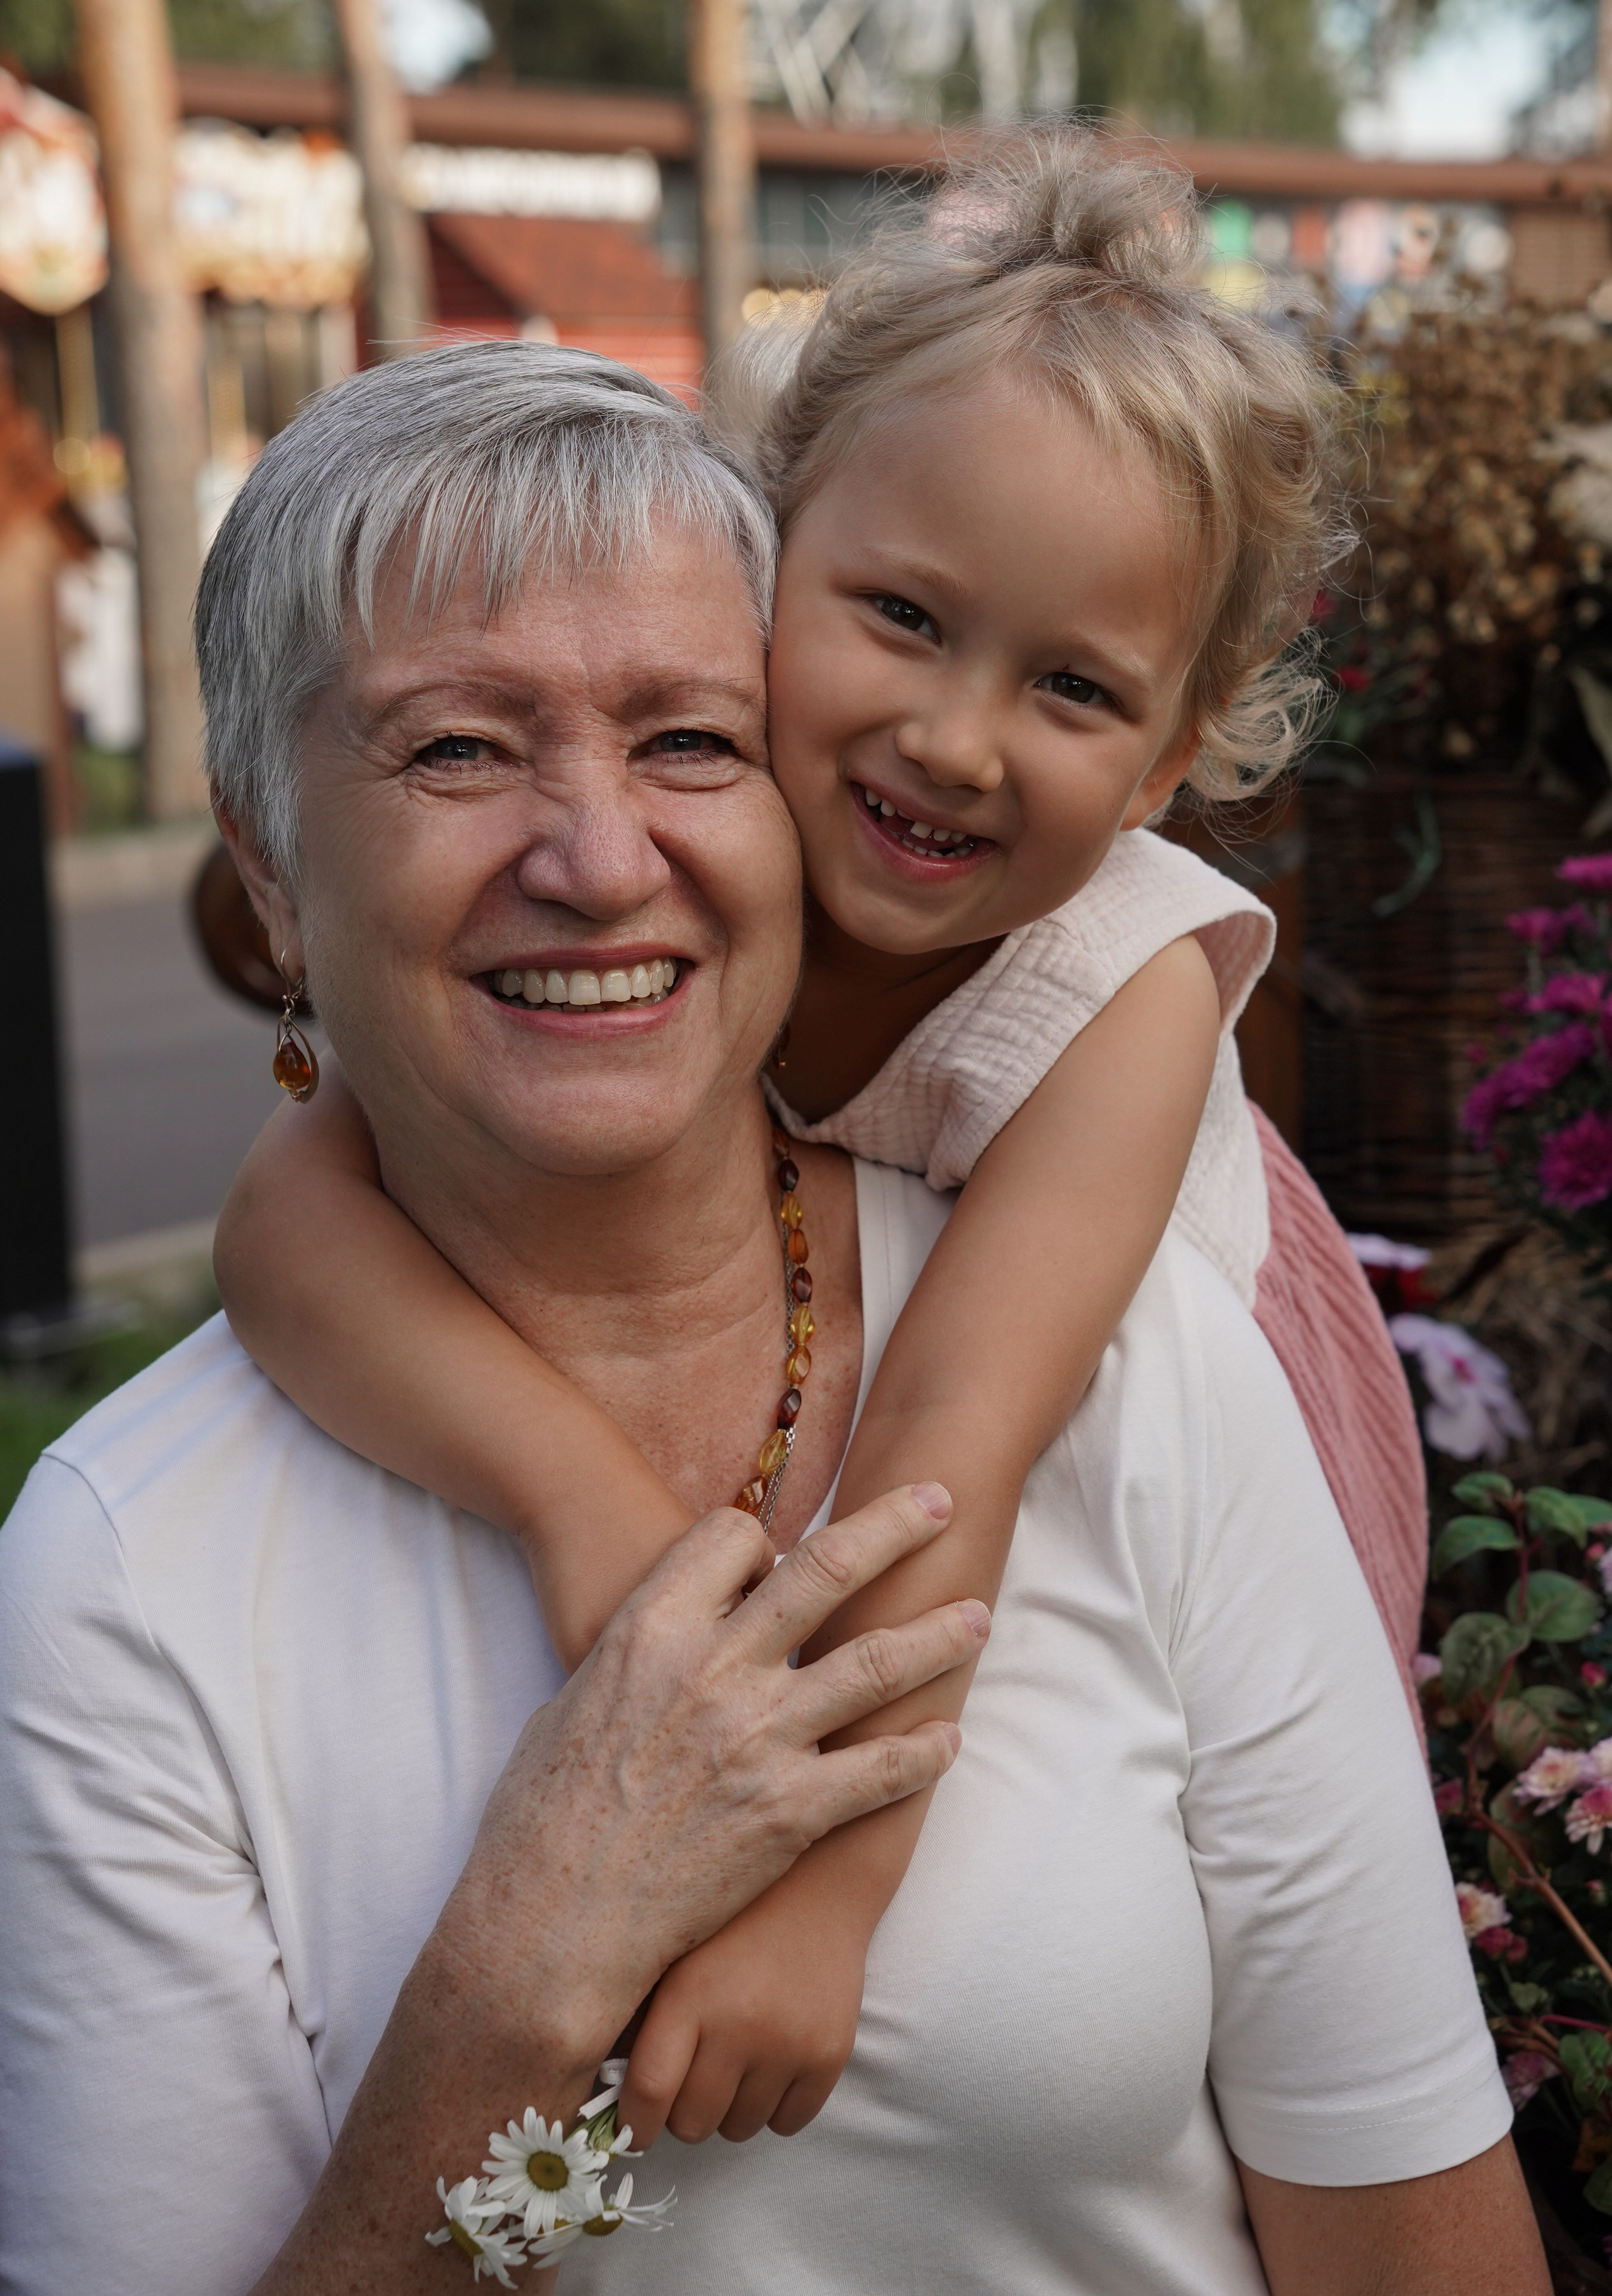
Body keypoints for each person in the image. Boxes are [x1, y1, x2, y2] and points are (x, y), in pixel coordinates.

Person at [0, 334, 1543, 2292]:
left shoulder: (1137, 1349)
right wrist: (512, 2003)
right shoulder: (130, 1581)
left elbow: (1415, 2249)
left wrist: (815, 1870)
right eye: (458, 748)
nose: (597, 855)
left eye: (686, 740)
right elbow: (281, 1220)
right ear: (269, 866)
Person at [213, 128, 1426, 2155]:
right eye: (900, 616)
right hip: (861, 1396)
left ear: (1176, 751)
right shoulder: (695, 845)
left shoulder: (1121, 984)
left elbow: (955, 1442)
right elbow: (280, 1217)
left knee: (1231, 1951)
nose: (953, 739)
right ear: (774, 546)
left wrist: (824, 1897)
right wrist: (583, 1507)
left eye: (1071, 687)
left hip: (1136, 1437)